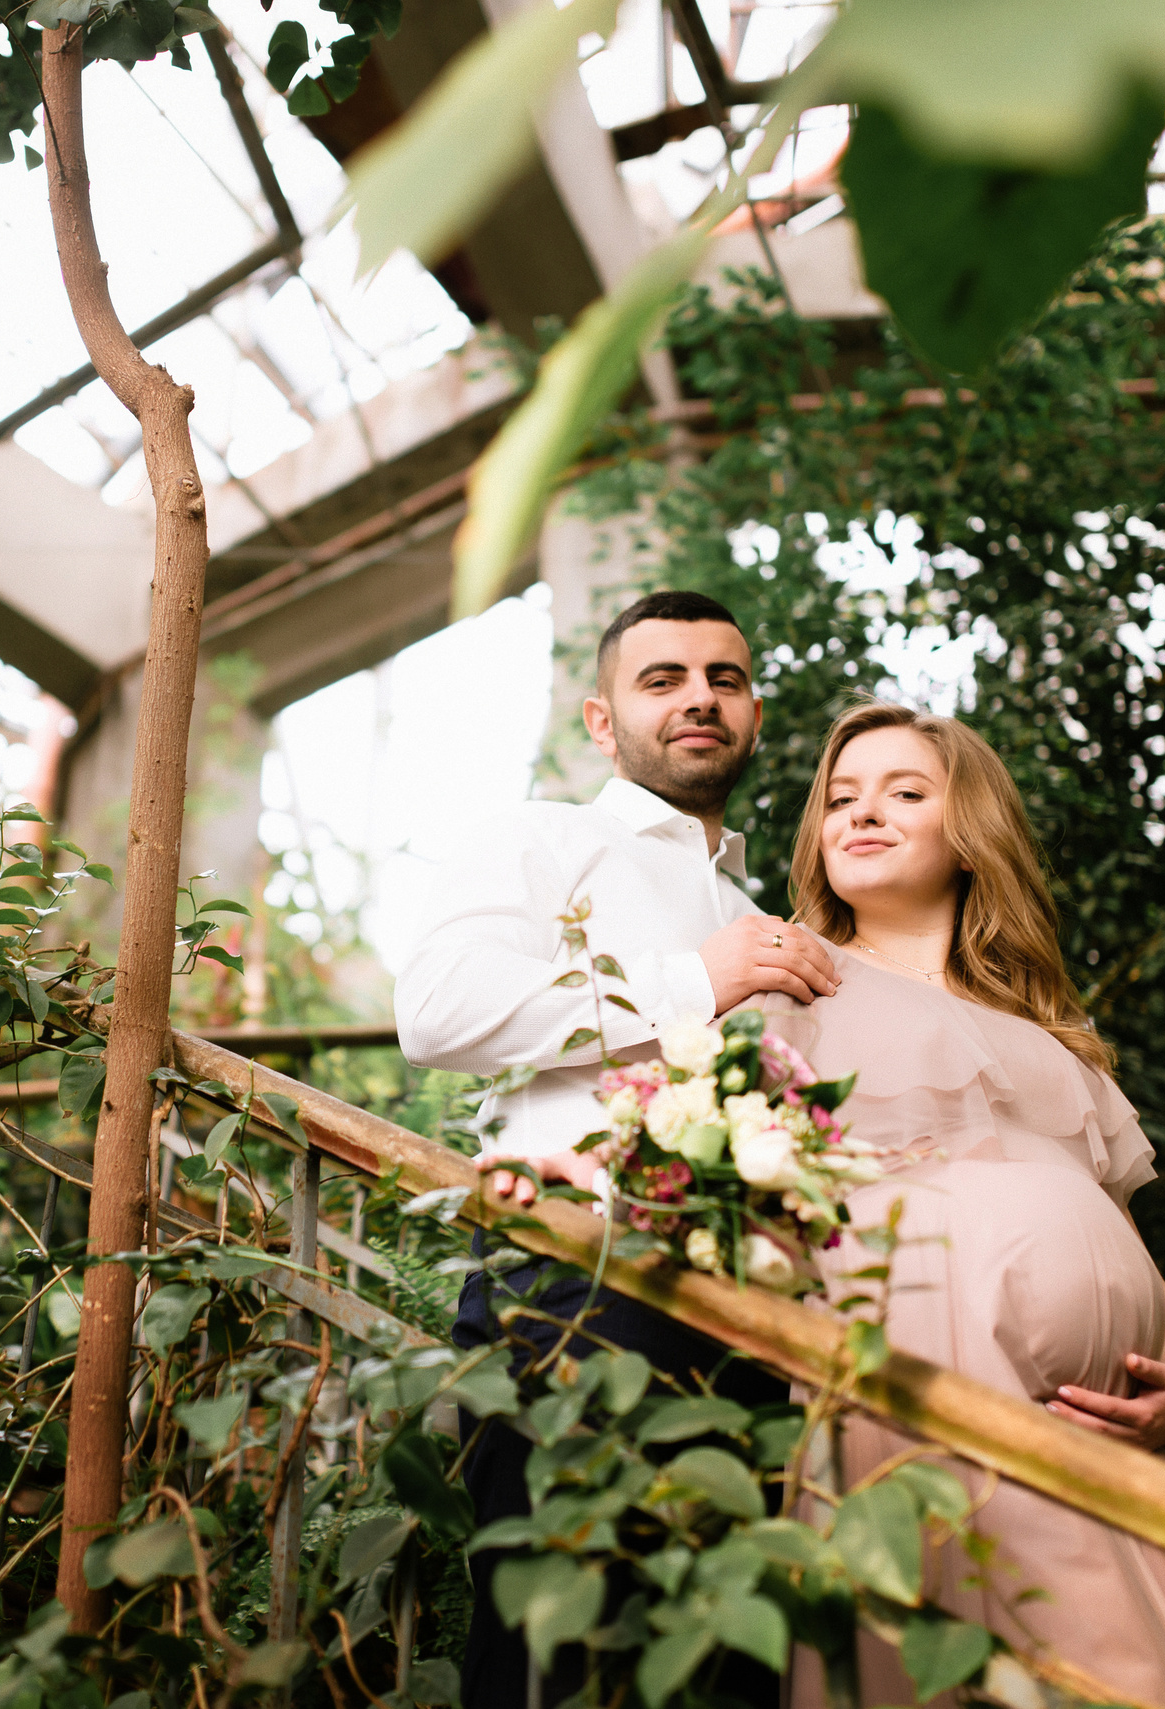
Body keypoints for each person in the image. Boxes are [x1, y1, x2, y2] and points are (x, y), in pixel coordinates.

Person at [757, 701, 1165, 1709]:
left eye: (905, 792)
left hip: (1101, 1430)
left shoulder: (1041, 1025)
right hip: (918, 1384)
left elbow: (1125, 1239)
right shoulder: (790, 987)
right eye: (841, 798)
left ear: (969, 835)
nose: (863, 813)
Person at [393, 589, 840, 1709]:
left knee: (723, 1665)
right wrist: (697, 981)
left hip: (749, 1319)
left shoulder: (760, 908)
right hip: (576, 1283)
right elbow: (438, 1010)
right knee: (552, 1650)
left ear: (749, 712)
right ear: (601, 720)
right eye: (664, 677)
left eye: (724, 679)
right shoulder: (541, 835)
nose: (700, 696)